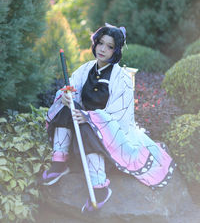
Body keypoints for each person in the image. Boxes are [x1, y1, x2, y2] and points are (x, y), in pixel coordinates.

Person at [42, 23, 176, 212]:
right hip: (80, 130)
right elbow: (72, 86)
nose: (103, 49)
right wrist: (67, 95)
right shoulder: (86, 69)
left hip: (107, 138)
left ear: (117, 51)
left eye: (110, 46)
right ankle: (59, 162)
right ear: (95, 44)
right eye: (100, 43)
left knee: (89, 127)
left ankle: (99, 187)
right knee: (66, 108)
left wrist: (89, 118)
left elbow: (119, 115)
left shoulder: (121, 78)